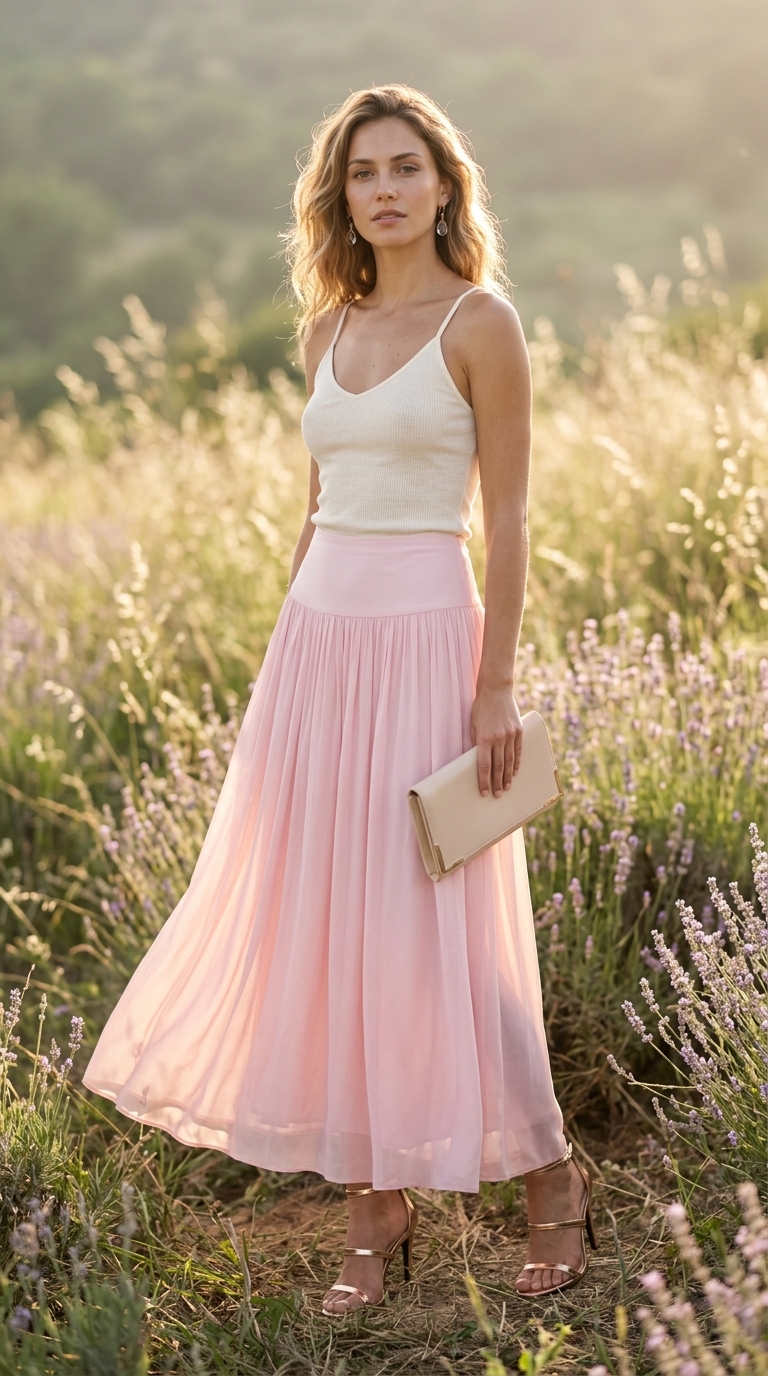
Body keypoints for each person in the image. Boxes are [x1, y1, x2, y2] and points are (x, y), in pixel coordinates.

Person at [83, 84, 596, 1314]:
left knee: (455, 928)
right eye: (364, 170)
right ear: (342, 196)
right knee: (331, 919)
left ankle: (556, 1185)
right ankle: (377, 1206)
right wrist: (282, 660)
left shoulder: (483, 322)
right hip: (318, 644)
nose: (385, 188)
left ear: (443, 184)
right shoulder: (326, 331)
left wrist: (498, 683)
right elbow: (316, 510)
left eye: (406, 166)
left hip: (427, 640)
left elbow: (511, 516)